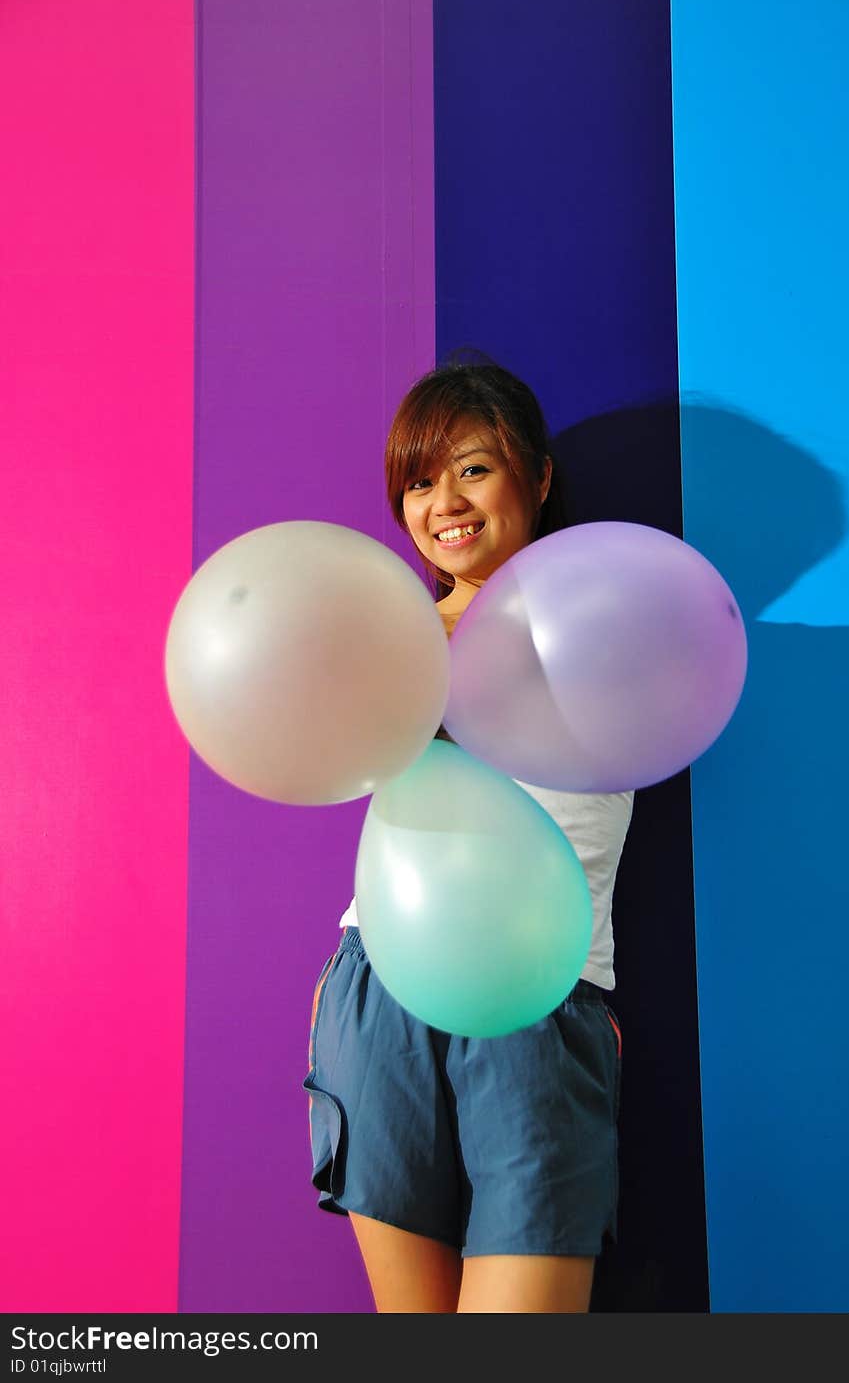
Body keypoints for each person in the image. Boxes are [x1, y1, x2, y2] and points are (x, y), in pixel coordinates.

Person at [302, 359, 634, 1313]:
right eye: (418, 480)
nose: (442, 502)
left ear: (535, 475)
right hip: (385, 979)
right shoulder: (392, 636)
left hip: (540, 984)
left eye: (473, 470)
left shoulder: (606, 617)